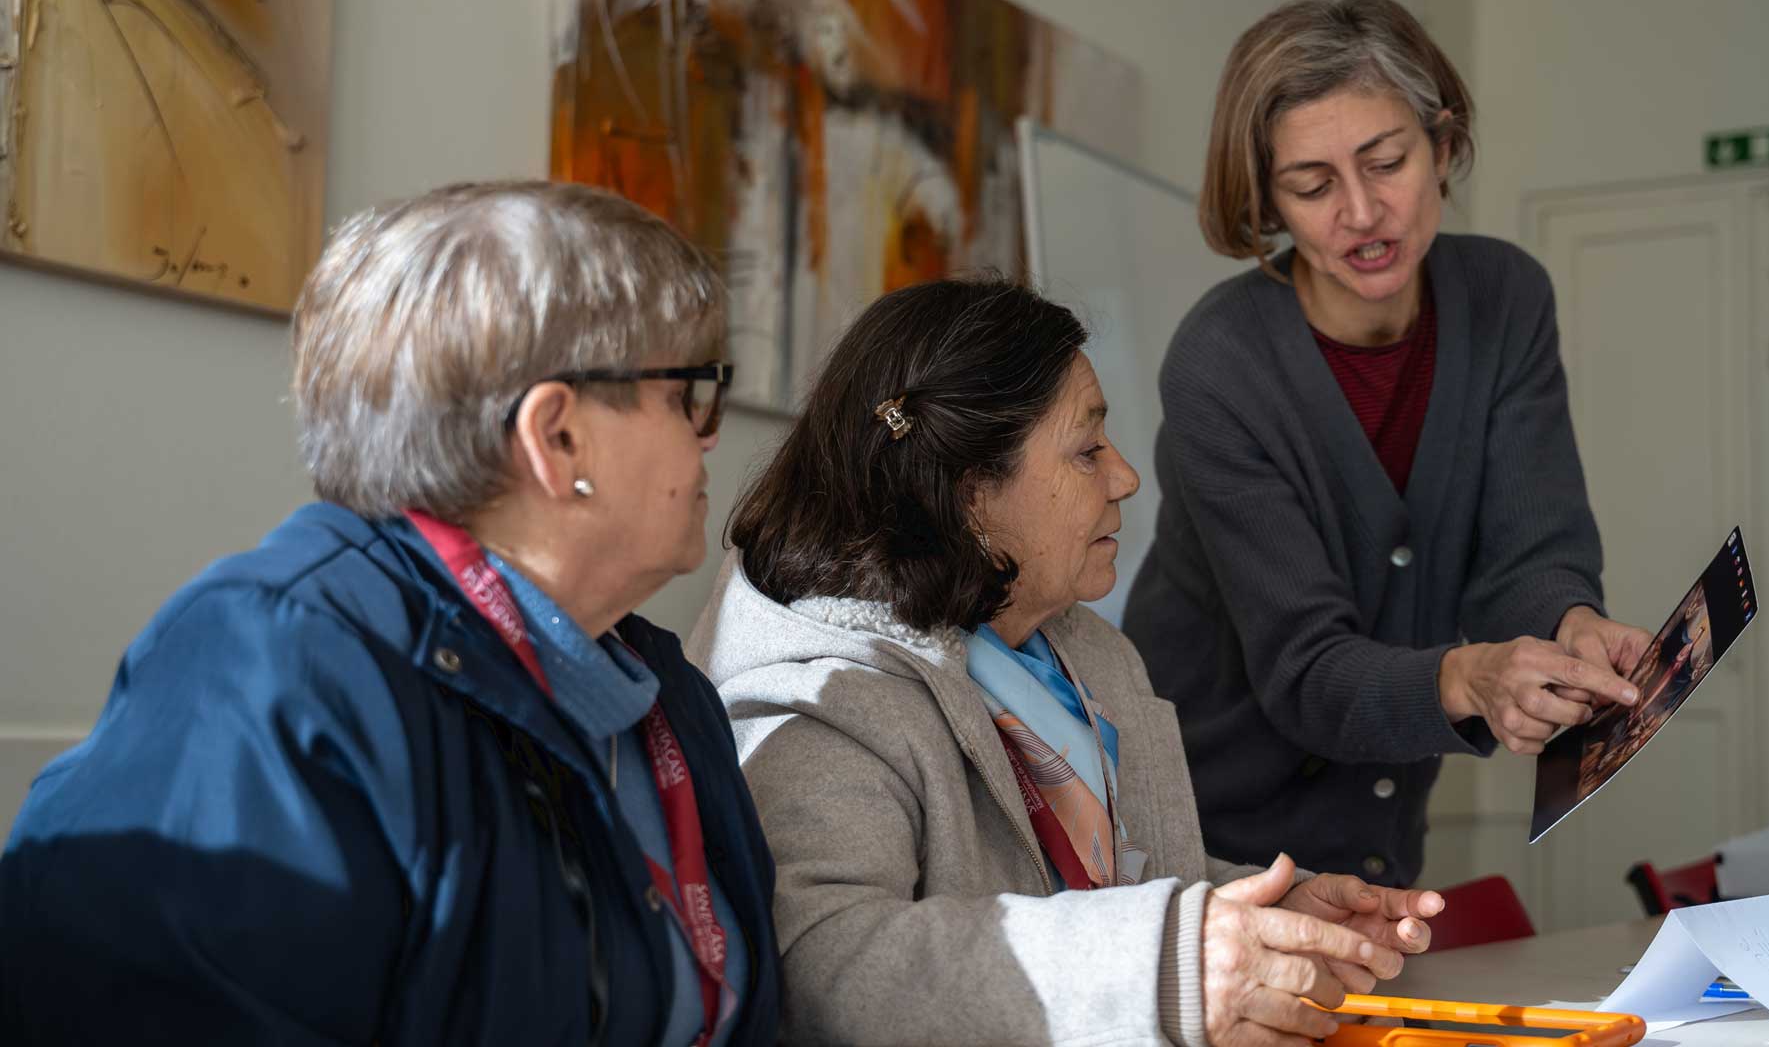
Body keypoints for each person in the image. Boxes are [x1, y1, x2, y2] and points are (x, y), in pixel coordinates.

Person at [0, 181, 781, 1044]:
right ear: (557, 439)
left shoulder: (664, 692)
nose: (709, 436)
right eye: (685, 396)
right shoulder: (272, 669)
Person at [691, 277, 1443, 1046]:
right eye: (1087, 450)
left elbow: (1103, 890)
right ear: (968, 495)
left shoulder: (1087, 653)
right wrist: (1168, 962)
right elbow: (825, 971)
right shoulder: (817, 698)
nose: (1125, 477)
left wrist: (1258, 920)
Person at [1121, 0, 1652, 887]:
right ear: (1269, 200)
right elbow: (1307, 668)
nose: (1361, 214)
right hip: (1202, 840)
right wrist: (1477, 679)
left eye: (1386, 161)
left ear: (1442, 146)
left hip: (1382, 835)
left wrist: (1573, 626)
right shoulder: (1220, 362)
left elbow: (1534, 546)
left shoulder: (1505, 300)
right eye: (1313, 184)